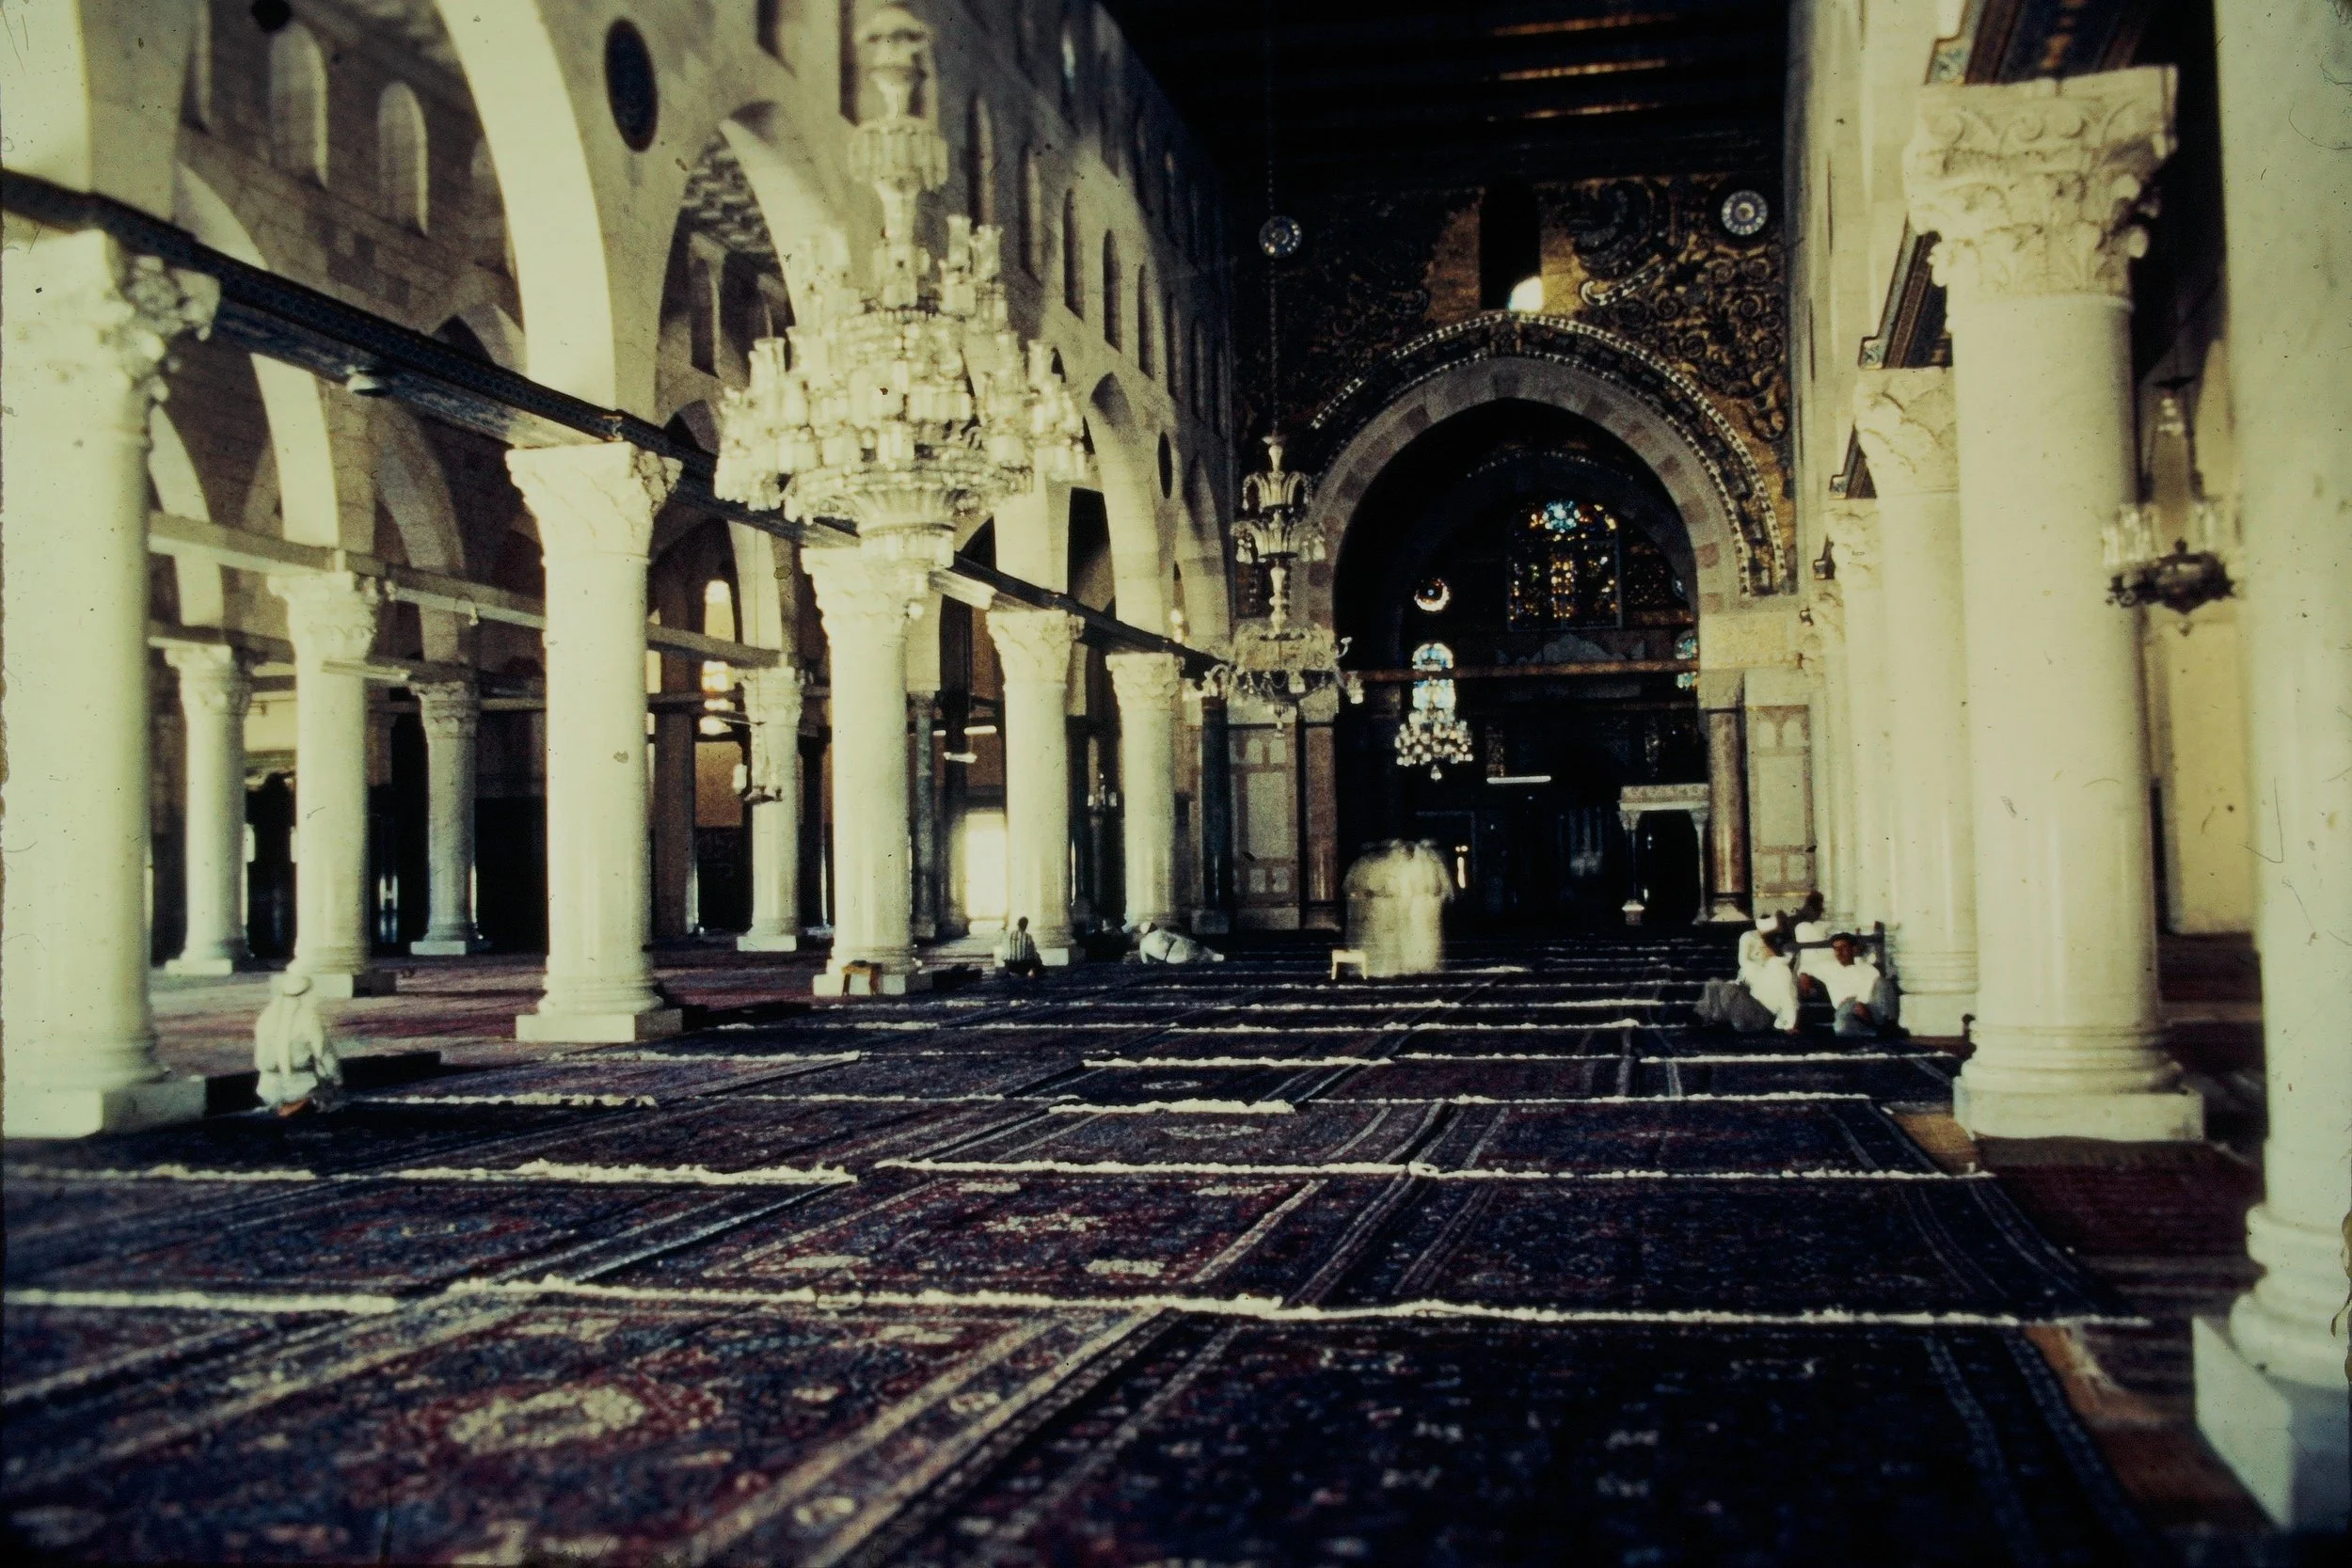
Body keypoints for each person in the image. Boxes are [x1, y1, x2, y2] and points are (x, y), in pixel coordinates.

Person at [253, 973, 342, 1116]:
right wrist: (336, 1080)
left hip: (267, 1090)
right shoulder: (310, 1019)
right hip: (302, 1089)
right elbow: (327, 1058)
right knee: (330, 1085)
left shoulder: (265, 1018)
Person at [1695, 927, 1801, 1035]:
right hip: (1751, 1008)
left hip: (1758, 1014)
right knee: (1714, 985)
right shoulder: (1767, 966)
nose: (1761, 950)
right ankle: (1714, 1019)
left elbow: (1787, 998)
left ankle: (1716, 1019)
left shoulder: (1779, 967)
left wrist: (1788, 1025)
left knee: (1725, 988)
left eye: (1764, 947)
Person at [1820, 932, 1902, 1038]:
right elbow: (1806, 968)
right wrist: (1804, 975)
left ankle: (1887, 1027)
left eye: (1843, 947)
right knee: (1841, 1028)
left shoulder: (1867, 969)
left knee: (1883, 983)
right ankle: (1877, 1033)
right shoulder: (1828, 969)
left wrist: (1861, 1004)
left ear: (1853, 949)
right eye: (1836, 948)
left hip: (1870, 1007)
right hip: (1846, 1009)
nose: (1839, 952)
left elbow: (1873, 990)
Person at [1136, 920, 1227, 964]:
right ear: (1153, 926)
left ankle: (1211, 957)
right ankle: (1214, 956)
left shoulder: (1143, 944)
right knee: (1198, 948)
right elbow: (1179, 938)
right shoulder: (1161, 933)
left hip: (1170, 960)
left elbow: (1145, 961)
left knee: (1195, 950)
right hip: (1183, 953)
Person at [996, 915, 1044, 980]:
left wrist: (1005, 923)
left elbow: (1001, 931)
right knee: (1038, 961)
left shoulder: (1007, 934)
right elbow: (1034, 954)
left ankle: (1008, 973)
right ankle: (1031, 974)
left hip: (1010, 965)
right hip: (1024, 966)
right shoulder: (1028, 937)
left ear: (1017, 924)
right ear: (1026, 926)